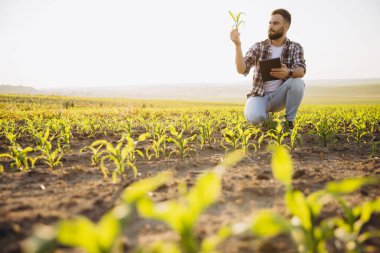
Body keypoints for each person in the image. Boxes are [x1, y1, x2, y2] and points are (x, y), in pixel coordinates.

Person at [230, 8, 306, 129]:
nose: (271, 26)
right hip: (259, 95)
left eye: (275, 23)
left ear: (286, 27)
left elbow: (301, 70)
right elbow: (241, 69)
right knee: (255, 118)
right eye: (270, 23)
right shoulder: (258, 47)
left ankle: (289, 122)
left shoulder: (295, 47)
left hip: (279, 96)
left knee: (298, 82)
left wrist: (289, 72)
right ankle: (266, 118)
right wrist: (238, 45)